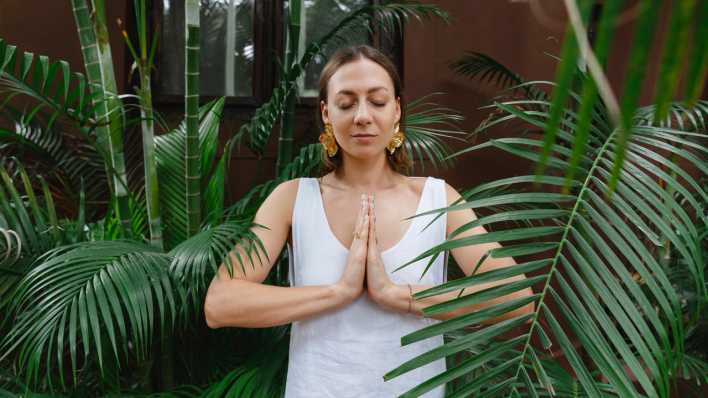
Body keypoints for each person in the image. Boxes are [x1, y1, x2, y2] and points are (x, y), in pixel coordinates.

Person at [204, 45, 534, 397]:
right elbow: (221, 304)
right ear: (326, 113)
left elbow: (515, 297)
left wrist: (396, 295)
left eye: (377, 101)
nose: (362, 115)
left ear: (396, 111)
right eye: (346, 104)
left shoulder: (439, 199)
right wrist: (338, 292)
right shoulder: (292, 199)